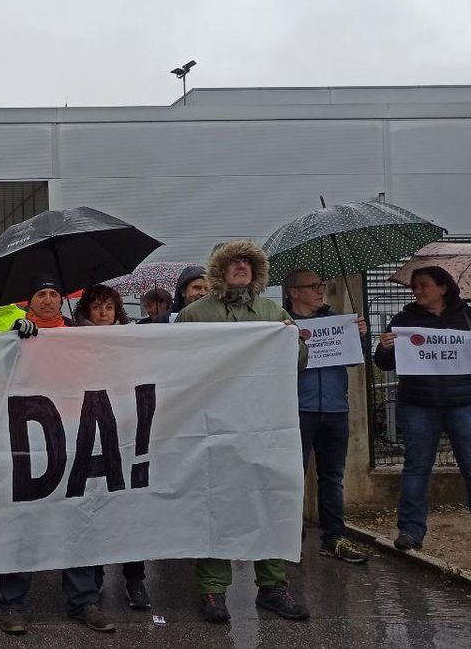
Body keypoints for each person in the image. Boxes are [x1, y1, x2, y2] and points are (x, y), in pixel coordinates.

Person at [176, 240, 310, 623]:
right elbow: (178, 369)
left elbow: (297, 364)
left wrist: (293, 341)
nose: (241, 268)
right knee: (215, 500)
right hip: (214, 426)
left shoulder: (272, 312)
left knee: (268, 499)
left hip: (263, 425)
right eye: (233, 262)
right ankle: (213, 589)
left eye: (248, 263)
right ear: (218, 270)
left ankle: (273, 586)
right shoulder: (195, 316)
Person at [0, 276, 118, 635]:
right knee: (24, 522)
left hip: (75, 437)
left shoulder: (80, 335)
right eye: (40, 294)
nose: (48, 300)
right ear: (28, 302)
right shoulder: (14, 335)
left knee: (77, 518)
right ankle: (13, 604)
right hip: (28, 441)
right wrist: (12, 342)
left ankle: (83, 600)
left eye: (53, 294)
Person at [373, 265, 471, 552]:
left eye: (423, 285)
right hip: (418, 405)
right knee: (416, 468)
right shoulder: (404, 320)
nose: (417, 291)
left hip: (463, 403)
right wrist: (385, 348)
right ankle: (411, 532)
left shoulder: (466, 317)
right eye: (414, 287)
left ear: (443, 287)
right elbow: (384, 364)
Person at [66, 283, 149, 609]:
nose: (103, 313)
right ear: (86, 311)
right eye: (97, 307)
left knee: (129, 504)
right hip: (87, 431)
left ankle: (135, 577)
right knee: (93, 504)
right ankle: (95, 572)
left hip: (125, 430)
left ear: (117, 311)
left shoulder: (130, 340)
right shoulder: (69, 340)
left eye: (109, 307)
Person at [283, 268, 369, 564]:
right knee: (293, 476)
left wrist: (359, 336)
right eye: (313, 286)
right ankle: (288, 537)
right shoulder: (282, 323)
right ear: (294, 292)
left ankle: (335, 537)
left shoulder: (337, 321)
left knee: (332, 477)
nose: (320, 291)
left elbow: (357, 362)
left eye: (322, 285)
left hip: (334, 409)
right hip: (296, 409)